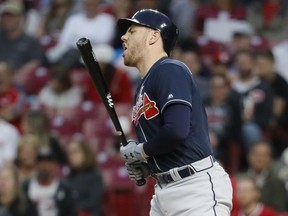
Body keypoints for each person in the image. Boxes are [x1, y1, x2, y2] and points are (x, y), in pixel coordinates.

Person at [117, 9, 233, 215]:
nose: (123, 36)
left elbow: (177, 130)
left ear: (154, 36)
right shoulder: (145, 84)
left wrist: (142, 151)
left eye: (132, 31)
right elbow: (167, 143)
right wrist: (148, 165)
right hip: (163, 192)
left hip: (195, 188)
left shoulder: (169, 69)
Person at [24, 145, 76, 216]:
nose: (44, 165)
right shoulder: (25, 187)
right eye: (41, 161)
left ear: (55, 165)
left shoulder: (65, 190)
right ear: (35, 164)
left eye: (49, 161)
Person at [0, 1, 43, 86]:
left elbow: (36, 60)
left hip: (16, 81)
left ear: (20, 18)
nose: (8, 20)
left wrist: (20, 73)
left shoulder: (29, 40)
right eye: (6, 17)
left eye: (12, 17)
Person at [65, 136, 104, 216]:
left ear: (85, 153)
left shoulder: (95, 175)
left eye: (75, 152)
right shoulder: (69, 176)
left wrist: (72, 207)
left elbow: (94, 203)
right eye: (70, 153)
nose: (72, 157)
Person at [246, 140, 288, 212]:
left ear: (270, 159)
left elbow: (279, 209)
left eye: (262, 155)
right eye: (255, 154)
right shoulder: (240, 178)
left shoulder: (277, 182)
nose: (258, 159)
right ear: (248, 156)